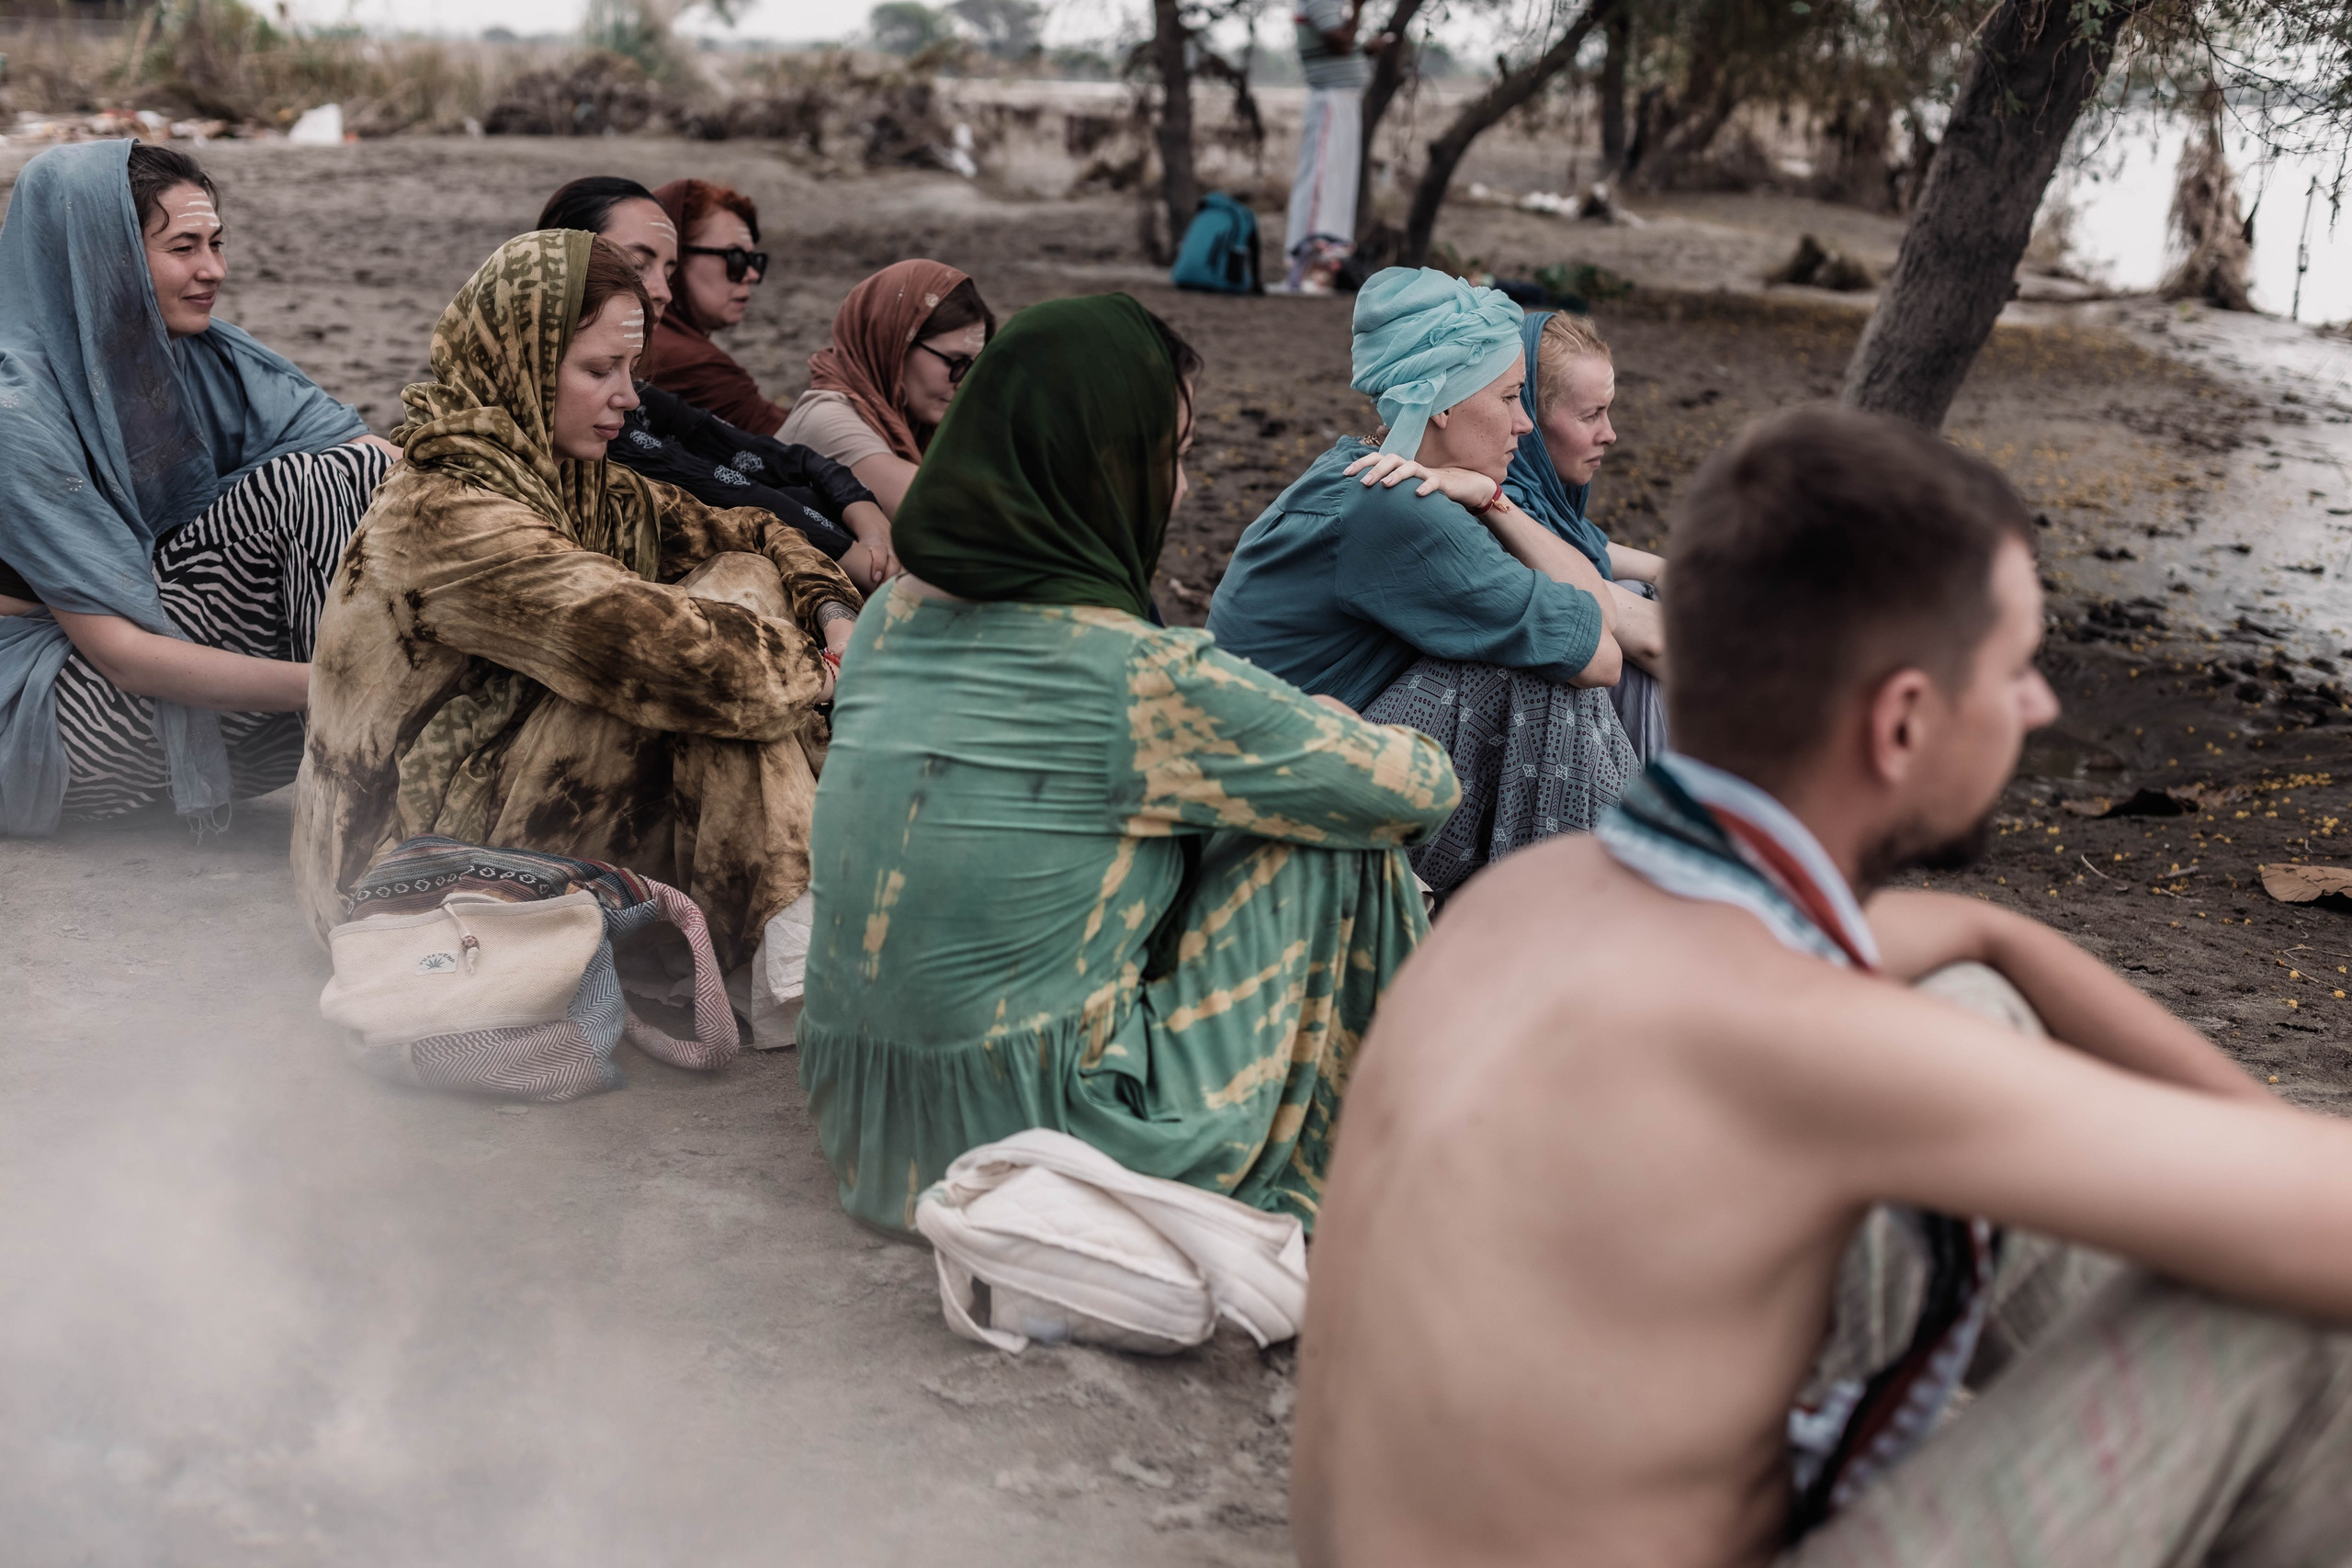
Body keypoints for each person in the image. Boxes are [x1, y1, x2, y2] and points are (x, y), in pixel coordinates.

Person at [1292, 405, 2352, 1568]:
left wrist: (2009, 946)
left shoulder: (1529, 898)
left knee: (1970, 1002)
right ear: (1901, 723)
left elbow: (1902, 946)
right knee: (2283, 1324)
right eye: (2013, 671)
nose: (2039, 706)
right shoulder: (1795, 1049)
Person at [797, 294, 1458, 1235]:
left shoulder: (887, 627)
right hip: (1034, 1141)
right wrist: (1321, 720)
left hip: (867, 1121)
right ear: (1093, 470)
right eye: (1171, 458)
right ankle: (1403, 1154)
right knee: (1334, 836)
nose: (1182, 492)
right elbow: (1420, 789)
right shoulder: (1134, 674)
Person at [292, 231, 862, 972]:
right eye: (599, 370)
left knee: (742, 583)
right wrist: (826, 673)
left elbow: (753, 529)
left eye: (630, 369)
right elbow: (676, 657)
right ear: (522, 365)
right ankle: (798, 947)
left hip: (485, 786)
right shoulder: (445, 513)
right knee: (707, 672)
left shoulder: (572, 480)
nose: (628, 397)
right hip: (393, 869)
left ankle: (791, 936)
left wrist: (834, 616)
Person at [0, 140, 397, 836]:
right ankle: (367, 792)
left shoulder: (203, 355)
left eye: (216, 242)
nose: (213, 270)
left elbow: (380, 466)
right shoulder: (16, 411)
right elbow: (120, 653)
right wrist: (343, 687)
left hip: (164, 701)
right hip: (46, 729)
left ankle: (375, 773)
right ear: (105, 256)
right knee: (304, 487)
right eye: (183, 247)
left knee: (361, 483)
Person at [1209, 266, 1636, 896]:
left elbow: (1593, 618)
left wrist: (1494, 499)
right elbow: (1601, 653)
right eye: (1509, 397)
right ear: (1440, 405)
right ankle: (1595, 906)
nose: (1523, 424)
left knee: (1539, 648)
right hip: (1280, 842)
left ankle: (1593, 900)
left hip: (1284, 787)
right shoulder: (1394, 507)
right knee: (1540, 674)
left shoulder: (1364, 476)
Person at [535, 176, 892, 591]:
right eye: (636, 265)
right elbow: (717, 484)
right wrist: (854, 554)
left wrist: (860, 506)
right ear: (562, 261)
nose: (663, 291)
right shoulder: (587, 411)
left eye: (671, 270)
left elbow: (753, 453)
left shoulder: (634, 390)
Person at [1505, 308, 1671, 759]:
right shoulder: (1506, 515)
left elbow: (1594, 547)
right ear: (1530, 423)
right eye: (1591, 415)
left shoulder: (1538, 499)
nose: (1610, 434)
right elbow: (1663, 645)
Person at [777, 259, 998, 558]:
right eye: (955, 363)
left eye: (974, 366)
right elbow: (959, 513)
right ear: (894, 344)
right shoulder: (826, 419)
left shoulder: (918, 421)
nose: (963, 382)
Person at [643, 178, 786, 437]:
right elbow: (788, 443)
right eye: (735, 258)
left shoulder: (640, 334)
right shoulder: (694, 366)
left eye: (754, 260)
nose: (751, 274)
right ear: (675, 257)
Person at [1278, 0, 1385, 295]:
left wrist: (1363, 50)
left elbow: (1339, 46)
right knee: (1321, 182)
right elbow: (1339, 42)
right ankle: (1306, 266)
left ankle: (1326, 265)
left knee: (1336, 182)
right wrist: (1359, 8)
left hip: (1341, 98)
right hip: (1331, 99)